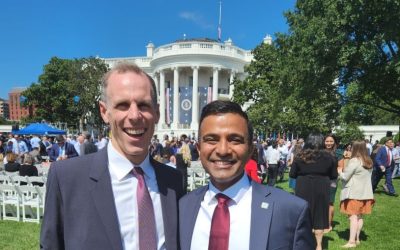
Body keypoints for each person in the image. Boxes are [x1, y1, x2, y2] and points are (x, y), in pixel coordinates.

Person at [40, 62, 185, 249]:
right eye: (123, 105)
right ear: (104, 112)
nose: (134, 115)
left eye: (143, 105)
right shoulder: (66, 178)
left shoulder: (173, 180)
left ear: (156, 112)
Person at [179, 100, 314, 250]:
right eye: (212, 140)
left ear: (250, 149)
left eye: (235, 140)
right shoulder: (182, 207)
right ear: (198, 149)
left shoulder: (291, 210)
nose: (223, 150)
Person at [289, 133, 338, 250]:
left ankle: (303, 241)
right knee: (320, 214)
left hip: (303, 186)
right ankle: (319, 245)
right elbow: (334, 175)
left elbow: (292, 174)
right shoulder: (329, 157)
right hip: (322, 186)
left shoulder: (300, 156)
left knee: (303, 213)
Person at [338, 140, 374, 248]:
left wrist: (340, 171)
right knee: (359, 216)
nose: (350, 148)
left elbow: (345, 177)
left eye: (351, 147)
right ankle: (357, 239)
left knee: (353, 217)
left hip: (354, 193)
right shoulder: (369, 161)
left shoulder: (354, 160)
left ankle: (351, 242)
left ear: (355, 148)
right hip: (366, 193)